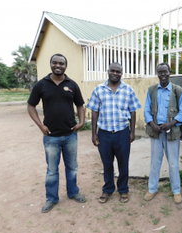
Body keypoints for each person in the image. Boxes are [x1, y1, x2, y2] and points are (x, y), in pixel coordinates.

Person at [27, 53, 87, 213]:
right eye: (55, 63)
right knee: (52, 169)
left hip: (70, 135)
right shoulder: (41, 85)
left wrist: (81, 122)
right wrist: (40, 125)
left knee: (72, 167)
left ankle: (73, 192)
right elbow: (31, 106)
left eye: (61, 63)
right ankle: (52, 198)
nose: (58, 65)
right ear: (51, 64)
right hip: (51, 136)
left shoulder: (72, 84)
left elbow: (80, 105)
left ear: (65, 66)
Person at [87, 62, 141, 204]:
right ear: (108, 71)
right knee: (107, 163)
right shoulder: (99, 89)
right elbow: (94, 112)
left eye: (118, 71)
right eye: (113, 70)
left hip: (122, 133)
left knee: (123, 163)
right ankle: (108, 189)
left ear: (121, 73)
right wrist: (94, 133)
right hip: (104, 134)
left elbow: (133, 111)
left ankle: (123, 189)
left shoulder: (128, 90)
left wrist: (132, 132)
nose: (115, 73)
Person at [143, 62, 182, 204]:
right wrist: (152, 124)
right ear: (157, 74)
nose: (163, 75)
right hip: (156, 133)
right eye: (160, 72)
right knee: (155, 162)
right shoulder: (151, 90)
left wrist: (171, 123)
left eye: (165, 72)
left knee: (173, 163)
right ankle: (152, 188)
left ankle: (176, 191)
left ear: (170, 73)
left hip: (172, 132)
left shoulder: (177, 90)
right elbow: (146, 111)